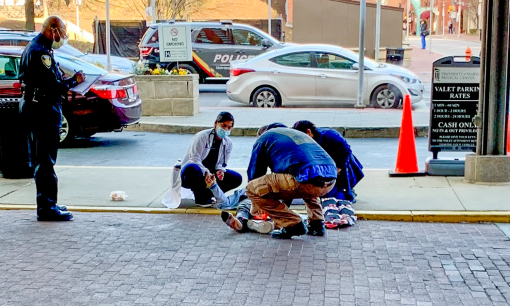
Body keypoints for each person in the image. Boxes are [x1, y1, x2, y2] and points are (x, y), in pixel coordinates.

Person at [19, 16, 85, 221]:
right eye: (61, 34)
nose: (62, 38)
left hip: (40, 108)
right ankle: (46, 208)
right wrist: (75, 81)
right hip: (43, 110)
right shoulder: (39, 53)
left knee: (45, 159)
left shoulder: (39, 49)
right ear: (52, 30)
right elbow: (52, 86)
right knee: (45, 161)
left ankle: (49, 202)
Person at [245, 124, 337, 239]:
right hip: (331, 179)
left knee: (251, 188)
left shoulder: (264, 138)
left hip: (306, 179)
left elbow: (255, 174)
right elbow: (287, 188)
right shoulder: (294, 136)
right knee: (308, 179)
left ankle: (293, 224)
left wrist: (256, 206)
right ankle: (317, 224)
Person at [180, 112, 242, 207]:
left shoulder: (228, 143)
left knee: (237, 178)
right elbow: (194, 158)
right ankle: (200, 198)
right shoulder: (202, 136)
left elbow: (222, 163)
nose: (226, 129)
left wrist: (220, 171)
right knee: (192, 168)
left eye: (229, 127)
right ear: (216, 123)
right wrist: (206, 171)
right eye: (223, 125)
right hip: (193, 173)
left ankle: (211, 194)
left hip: (211, 174)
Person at [292, 120, 364, 202]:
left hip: (341, 161)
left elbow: (346, 151)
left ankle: (346, 192)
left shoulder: (330, 135)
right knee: (325, 192)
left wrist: (339, 168)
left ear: (308, 131)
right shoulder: (307, 141)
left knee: (337, 193)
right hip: (325, 164)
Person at [204, 174, 274, 234]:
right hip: (249, 202)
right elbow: (225, 203)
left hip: (267, 203)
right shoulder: (243, 192)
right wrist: (213, 186)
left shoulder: (270, 187)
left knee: (244, 207)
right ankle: (241, 223)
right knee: (242, 208)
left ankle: (248, 224)